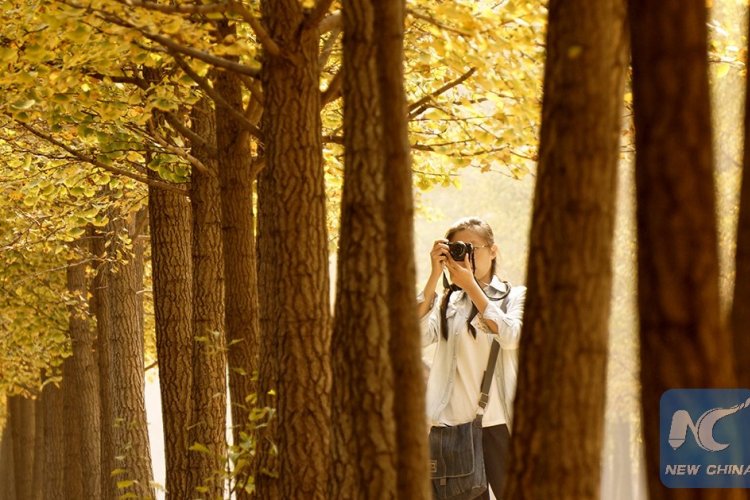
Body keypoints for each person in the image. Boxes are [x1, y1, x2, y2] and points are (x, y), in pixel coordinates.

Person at [418, 217, 526, 500]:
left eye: (472, 247)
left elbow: (512, 336)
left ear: (493, 250)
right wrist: (433, 277)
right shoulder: (445, 303)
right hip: (452, 429)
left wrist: (472, 288)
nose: (466, 255)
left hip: (501, 425)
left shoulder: (514, 297)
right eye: (458, 248)